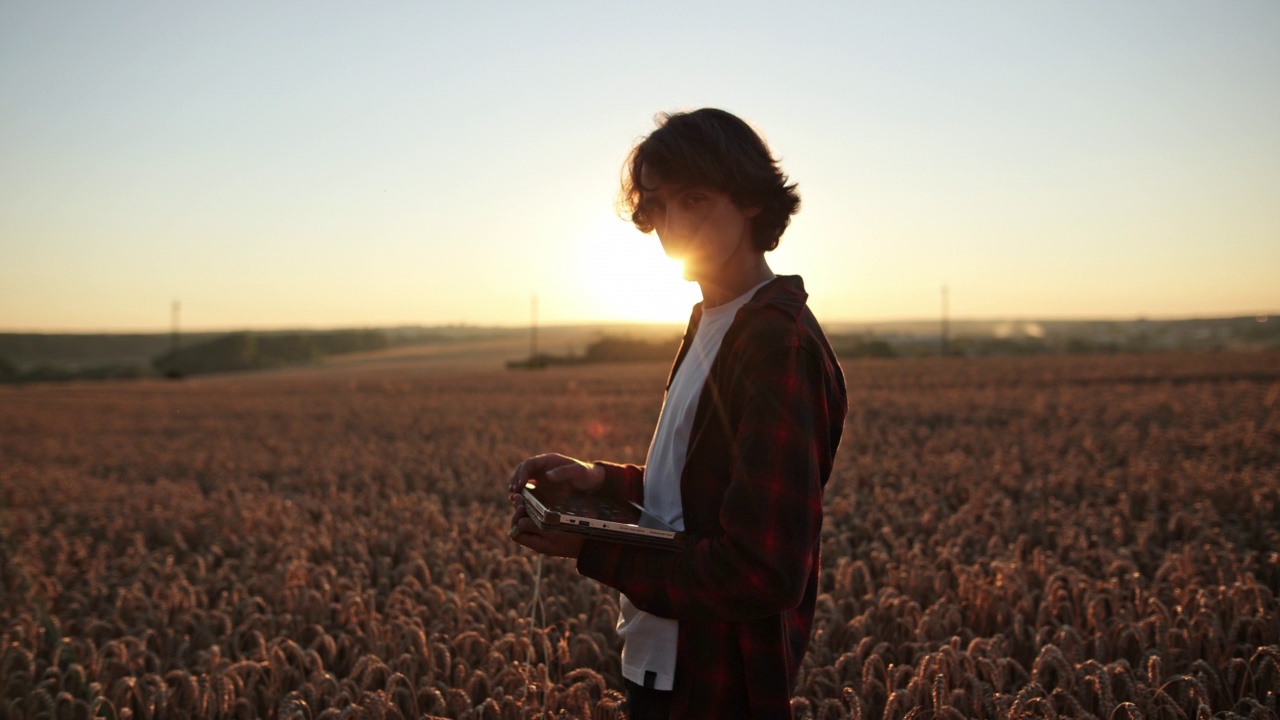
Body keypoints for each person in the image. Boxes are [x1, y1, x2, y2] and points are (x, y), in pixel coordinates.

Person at [507, 108, 847, 719]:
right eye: (659, 205)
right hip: (662, 657)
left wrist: (589, 550)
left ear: (750, 201)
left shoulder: (777, 345)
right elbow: (696, 500)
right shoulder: (712, 320)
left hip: (716, 681)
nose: (672, 225)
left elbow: (761, 570)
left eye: (694, 199)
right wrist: (599, 481)